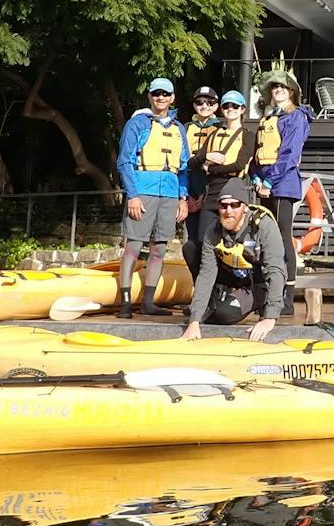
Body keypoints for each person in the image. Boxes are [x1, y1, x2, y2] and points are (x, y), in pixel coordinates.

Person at [114, 77, 188, 318]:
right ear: (149, 96)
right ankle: (125, 303)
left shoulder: (179, 128)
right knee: (133, 246)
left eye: (165, 94)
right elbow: (124, 161)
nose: (160, 98)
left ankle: (148, 302)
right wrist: (132, 196)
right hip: (143, 191)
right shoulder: (137, 123)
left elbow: (184, 166)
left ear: (172, 97)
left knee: (159, 248)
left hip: (169, 191)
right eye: (156, 93)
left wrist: (182, 197)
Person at [181, 178, 287, 342]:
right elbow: (206, 274)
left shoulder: (263, 225)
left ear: (244, 208)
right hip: (233, 274)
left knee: (224, 314)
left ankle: (254, 304)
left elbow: (276, 270)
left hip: (256, 283)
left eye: (234, 205)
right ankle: (209, 304)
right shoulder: (214, 230)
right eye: (223, 206)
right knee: (191, 248)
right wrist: (194, 320)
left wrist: (270, 318)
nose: (228, 211)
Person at [250, 56, 313, 316]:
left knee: (282, 237)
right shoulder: (268, 118)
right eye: (274, 87)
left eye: (282, 87)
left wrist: (268, 181)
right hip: (263, 185)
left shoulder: (296, 117)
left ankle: (287, 297)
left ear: (291, 91)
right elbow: (257, 153)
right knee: (264, 240)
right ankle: (266, 294)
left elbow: (288, 154)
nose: (277, 91)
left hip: (282, 185)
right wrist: (255, 177)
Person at [183, 89, 254, 277]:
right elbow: (192, 161)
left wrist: (210, 168)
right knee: (201, 244)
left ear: (242, 109)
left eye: (235, 106)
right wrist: (206, 157)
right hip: (212, 193)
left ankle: (232, 286)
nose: (230, 109)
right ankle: (207, 291)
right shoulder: (214, 133)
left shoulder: (247, 135)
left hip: (233, 190)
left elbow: (239, 164)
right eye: (226, 106)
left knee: (232, 244)